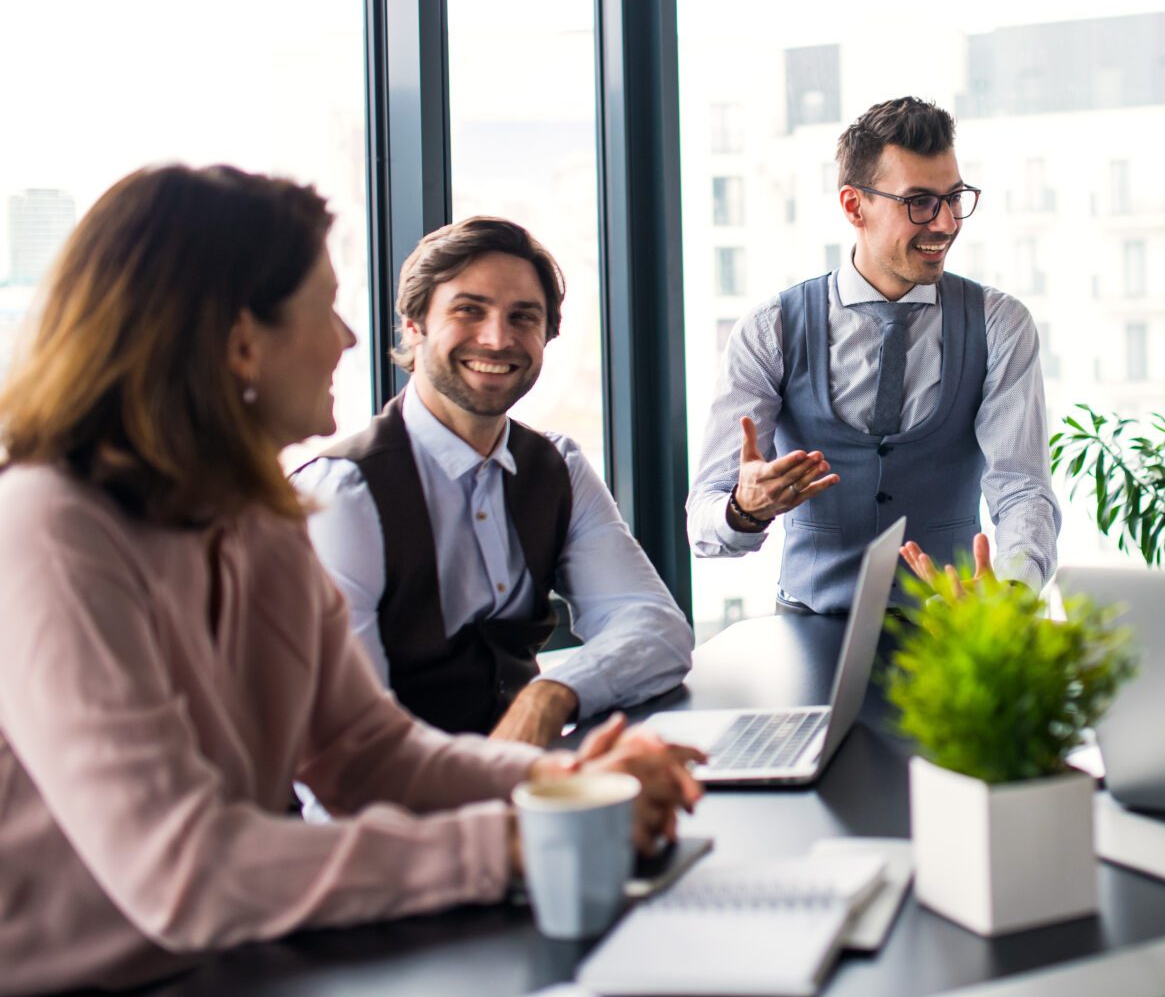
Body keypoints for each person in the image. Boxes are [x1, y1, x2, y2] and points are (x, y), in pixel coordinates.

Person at [0, 166, 702, 994]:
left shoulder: (259, 516)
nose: (348, 338)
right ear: (238, 340)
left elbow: (363, 750)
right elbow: (186, 871)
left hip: (246, 954)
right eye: (322, 306)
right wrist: (520, 840)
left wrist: (560, 785)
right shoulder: (48, 526)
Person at [293, 217, 691, 746]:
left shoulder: (558, 467)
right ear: (414, 326)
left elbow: (655, 628)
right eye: (468, 310)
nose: (498, 338)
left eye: (523, 317)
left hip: (530, 786)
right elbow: (345, 746)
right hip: (403, 811)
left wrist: (551, 694)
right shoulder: (344, 494)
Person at [687, 96, 1061, 610]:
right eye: (920, 202)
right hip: (808, 626)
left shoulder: (1000, 324)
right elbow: (705, 521)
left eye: (954, 198)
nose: (946, 223)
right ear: (853, 206)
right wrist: (743, 509)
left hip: (951, 633)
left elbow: (1022, 489)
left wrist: (1012, 593)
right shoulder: (769, 328)